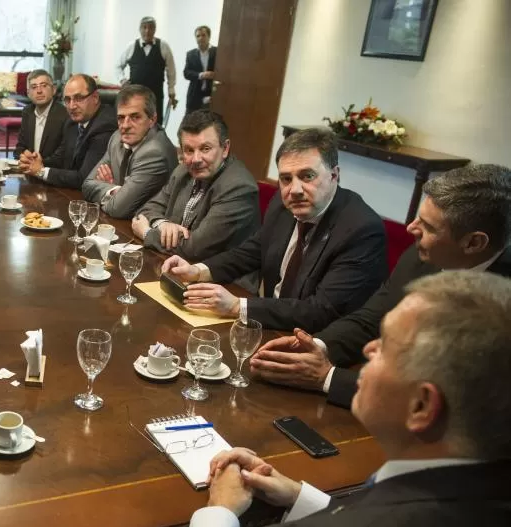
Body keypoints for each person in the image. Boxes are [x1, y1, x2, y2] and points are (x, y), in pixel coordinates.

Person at [93, 270, 511, 527]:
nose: (367, 349)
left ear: (422, 407)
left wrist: (219, 513)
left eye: (386, 348)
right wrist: (298, 497)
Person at [251, 163, 511, 407]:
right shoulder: (421, 254)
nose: (411, 228)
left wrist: (327, 378)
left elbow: (453, 397)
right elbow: (371, 318)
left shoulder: (502, 307)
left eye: (429, 227)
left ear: (474, 243)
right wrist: (315, 347)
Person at [160, 128, 387, 332]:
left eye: (307, 176)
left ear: (334, 175)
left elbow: (321, 310)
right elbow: (252, 251)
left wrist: (237, 306)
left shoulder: (361, 230)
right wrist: (198, 271)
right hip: (267, 324)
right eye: (286, 178)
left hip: (311, 341)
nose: (295, 189)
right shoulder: (282, 203)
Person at [131, 110, 259, 260]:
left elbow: (193, 249)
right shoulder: (183, 171)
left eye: (205, 149)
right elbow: (147, 209)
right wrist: (163, 224)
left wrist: (147, 233)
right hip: (174, 263)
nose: (196, 159)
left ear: (225, 149)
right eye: (189, 150)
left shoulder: (238, 188)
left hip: (221, 279)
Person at [82, 84, 178, 219]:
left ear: (152, 119)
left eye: (135, 117)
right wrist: (114, 190)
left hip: (153, 230)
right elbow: (87, 185)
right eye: (121, 118)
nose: (125, 125)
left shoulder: (154, 153)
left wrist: (111, 191)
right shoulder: (117, 138)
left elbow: (117, 209)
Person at [19, 73, 116, 190]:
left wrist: (41, 171)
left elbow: (84, 178)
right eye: (67, 100)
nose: (72, 106)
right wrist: (36, 162)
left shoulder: (104, 126)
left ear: (95, 98)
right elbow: (61, 158)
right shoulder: (72, 123)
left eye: (79, 98)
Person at [117, 16, 178, 115]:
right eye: (144, 27)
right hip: (135, 94)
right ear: (139, 29)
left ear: (155, 29)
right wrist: (122, 80)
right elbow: (118, 66)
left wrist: (171, 89)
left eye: (150, 27)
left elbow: (171, 70)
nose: (147, 31)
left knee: (155, 123)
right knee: (135, 120)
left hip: (156, 94)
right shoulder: (131, 46)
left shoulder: (163, 46)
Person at [14, 69, 69, 160]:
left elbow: (63, 154)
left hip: (52, 171)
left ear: (53, 90)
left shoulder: (65, 114)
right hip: (29, 169)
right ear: (28, 93)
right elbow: (20, 147)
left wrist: (39, 165)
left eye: (44, 86)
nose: (39, 91)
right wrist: (23, 154)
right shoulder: (27, 112)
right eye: (34, 87)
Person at [183, 26, 217, 113]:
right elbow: (186, 73)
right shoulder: (190, 54)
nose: (200, 38)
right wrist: (201, 75)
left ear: (209, 37)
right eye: (198, 36)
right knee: (190, 124)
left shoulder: (217, 52)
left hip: (212, 95)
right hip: (194, 96)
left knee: (209, 125)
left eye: (203, 35)